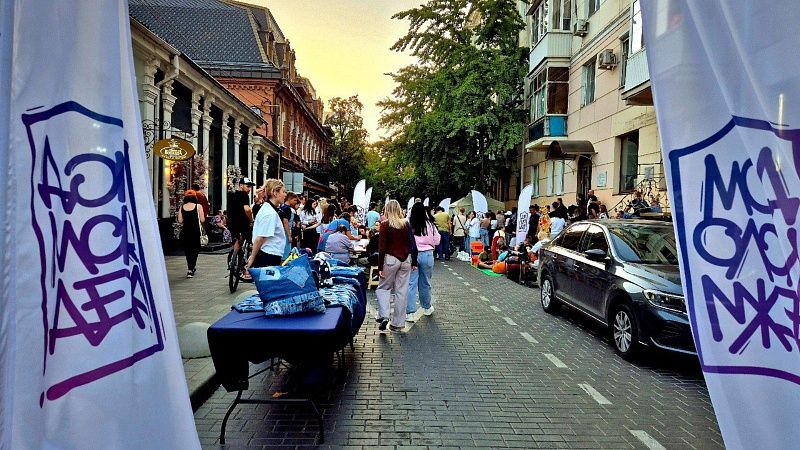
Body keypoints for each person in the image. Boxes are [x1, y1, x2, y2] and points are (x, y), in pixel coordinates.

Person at [376, 199, 418, 332]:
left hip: (390, 259)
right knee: (401, 291)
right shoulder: (406, 224)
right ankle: (398, 324)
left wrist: (380, 267)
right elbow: (413, 244)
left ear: (387, 210)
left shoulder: (385, 225)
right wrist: (414, 261)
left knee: (383, 288)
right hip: (406, 260)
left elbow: (382, 248)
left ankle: (384, 315)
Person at [406, 202, 440, 321]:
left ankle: (410, 313)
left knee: (411, 283)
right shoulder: (430, 224)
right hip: (427, 254)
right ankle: (427, 307)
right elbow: (437, 241)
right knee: (425, 282)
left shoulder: (408, 224)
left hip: (412, 256)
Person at [246, 178, 287, 269]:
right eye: (283, 191)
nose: (285, 194)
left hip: (270, 254)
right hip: (268, 255)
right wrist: (252, 258)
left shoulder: (269, 209)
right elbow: (260, 238)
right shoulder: (270, 213)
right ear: (275, 193)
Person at [177, 190, 205, 278]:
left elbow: (180, 221)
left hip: (185, 231)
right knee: (195, 250)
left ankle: (190, 268)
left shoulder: (182, 207)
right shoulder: (198, 206)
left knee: (188, 250)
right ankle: (191, 268)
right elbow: (202, 219)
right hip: (195, 232)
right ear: (195, 197)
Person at [227, 177, 255, 262]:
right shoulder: (244, 195)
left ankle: (234, 260)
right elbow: (247, 209)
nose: (249, 189)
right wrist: (251, 220)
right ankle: (245, 257)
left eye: (250, 187)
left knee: (236, 239)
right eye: (248, 186)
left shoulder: (231, 195)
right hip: (243, 223)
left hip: (232, 222)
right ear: (241, 185)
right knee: (248, 239)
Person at [280, 191, 301, 258]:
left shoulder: (282, 207)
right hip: (286, 232)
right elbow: (285, 222)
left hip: (282, 232)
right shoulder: (287, 209)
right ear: (289, 199)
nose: (295, 202)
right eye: (294, 200)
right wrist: (289, 235)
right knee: (286, 253)